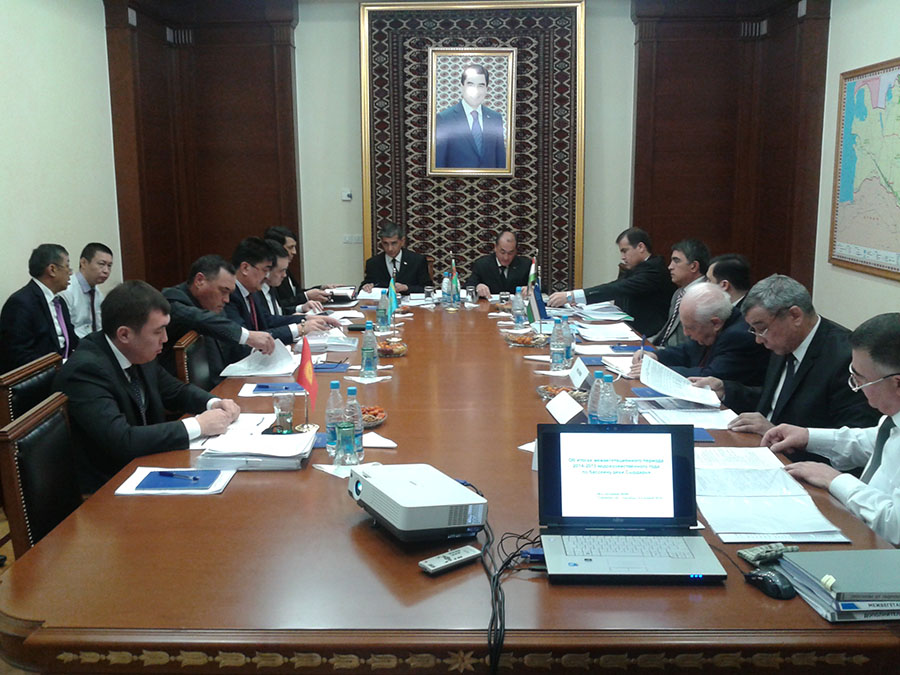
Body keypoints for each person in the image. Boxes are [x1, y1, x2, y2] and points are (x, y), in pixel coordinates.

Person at [54, 280, 241, 493]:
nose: (165, 339)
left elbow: (175, 391)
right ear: (124, 334)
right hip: (109, 487)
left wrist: (213, 403)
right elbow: (122, 440)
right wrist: (198, 425)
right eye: (158, 331)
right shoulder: (85, 371)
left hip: (146, 465)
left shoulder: (138, 352)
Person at [762, 313, 900, 545]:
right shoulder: (892, 418)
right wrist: (807, 436)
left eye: (861, 379)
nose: (857, 388)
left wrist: (834, 479)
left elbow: (894, 524)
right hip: (866, 536)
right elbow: (874, 441)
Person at [691, 274, 879, 437]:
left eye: (762, 328)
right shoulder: (783, 343)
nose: (758, 339)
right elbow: (778, 400)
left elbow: (852, 438)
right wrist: (726, 389)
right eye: (754, 330)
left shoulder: (845, 358)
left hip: (800, 460)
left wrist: (777, 432)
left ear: (795, 316)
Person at [161, 255, 277, 388]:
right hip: (185, 392)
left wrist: (257, 353)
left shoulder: (213, 306)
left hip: (222, 385)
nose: (226, 300)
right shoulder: (171, 301)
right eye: (223, 291)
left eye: (229, 293)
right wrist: (248, 336)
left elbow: (231, 347)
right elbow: (199, 319)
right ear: (199, 280)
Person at [547, 228, 675, 337]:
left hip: (647, 335)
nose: (622, 257)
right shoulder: (639, 268)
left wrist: (572, 296)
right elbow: (615, 286)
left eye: (625, 251)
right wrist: (579, 299)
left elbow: (617, 288)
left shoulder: (654, 270)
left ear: (641, 247)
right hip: (631, 329)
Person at [630, 282, 767, 384]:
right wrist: (656, 356)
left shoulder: (739, 336)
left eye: (690, 328)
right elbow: (687, 351)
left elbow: (709, 375)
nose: (685, 333)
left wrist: (657, 371)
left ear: (716, 323)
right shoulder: (710, 326)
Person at [224, 238, 338, 344]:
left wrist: (306, 319)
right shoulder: (228, 296)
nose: (266, 276)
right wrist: (300, 329)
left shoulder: (251, 291)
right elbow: (245, 342)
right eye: (265, 270)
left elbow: (268, 320)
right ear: (245, 268)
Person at [0, 243, 78, 372]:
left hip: (63, 371)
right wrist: (61, 365)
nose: (70, 273)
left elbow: (72, 341)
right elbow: (18, 356)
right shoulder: (20, 303)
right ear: (52, 269)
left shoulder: (60, 302)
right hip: (40, 377)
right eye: (67, 266)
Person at [434, 64, 506, 170]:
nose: (475, 90)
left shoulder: (496, 118)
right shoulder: (444, 119)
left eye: (481, 85)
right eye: (470, 84)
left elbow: (501, 163)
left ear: (487, 88)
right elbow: (439, 165)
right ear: (462, 86)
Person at [650, 238, 710, 348]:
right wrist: (642, 343)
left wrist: (658, 353)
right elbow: (666, 333)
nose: (670, 267)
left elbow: (692, 346)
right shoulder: (679, 293)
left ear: (694, 266)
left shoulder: (705, 297)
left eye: (676, 261)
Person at [263, 226, 332, 310]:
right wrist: (305, 297)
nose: (294, 252)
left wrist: (321, 288)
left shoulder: (285, 269)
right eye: (290, 247)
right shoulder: (270, 278)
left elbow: (295, 293)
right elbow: (280, 305)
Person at [360, 222, 432, 294]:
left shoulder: (417, 260)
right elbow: (364, 285)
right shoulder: (373, 263)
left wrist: (406, 288)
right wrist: (367, 286)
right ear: (381, 242)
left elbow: (428, 288)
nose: (390, 248)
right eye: (385, 243)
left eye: (394, 243)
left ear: (402, 241)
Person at [60, 242, 113, 338]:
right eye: (101, 264)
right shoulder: (67, 290)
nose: (106, 271)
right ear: (83, 263)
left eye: (109, 265)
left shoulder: (97, 293)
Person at [466, 230, 530, 298]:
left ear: (516, 251)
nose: (506, 257)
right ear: (495, 248)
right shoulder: (482, 264)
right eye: (502, 252)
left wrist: (530, 289)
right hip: (488, 304)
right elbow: (468, 286)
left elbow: (536, 287)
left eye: (510, 253)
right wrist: (477, 286)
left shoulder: (526, 265)